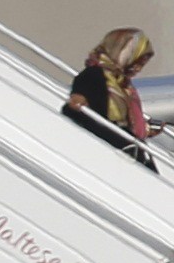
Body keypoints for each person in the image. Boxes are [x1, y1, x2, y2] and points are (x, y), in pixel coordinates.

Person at [65, 28, 159, 169]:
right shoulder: (93, 75)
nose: (138, 69)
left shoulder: (122, 85)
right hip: (107, 150)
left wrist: (145, 129)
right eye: (136, 62)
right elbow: (78, 106)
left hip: (125, 149)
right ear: (121, 53)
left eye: (141, 64)